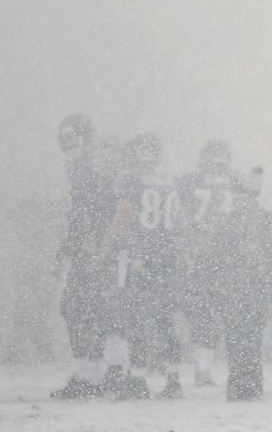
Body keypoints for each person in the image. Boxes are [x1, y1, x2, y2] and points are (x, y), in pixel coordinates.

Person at [105, 132, 185, 400]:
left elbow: (124, 213)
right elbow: (179, 223)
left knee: (135, 318)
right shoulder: (169, 181)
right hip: (167, 258)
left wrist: (105, 247)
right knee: (165, 320)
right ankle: (174, 380)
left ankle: (138, 380)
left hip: (141, 259)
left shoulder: (130, 178)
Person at [213, 166, 272, 401]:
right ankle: (240, 384)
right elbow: (218, 260)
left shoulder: (269, 223)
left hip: (255, 291)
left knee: (252, 338)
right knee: (236, 339)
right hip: (234, 291)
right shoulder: (227, 224)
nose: (232, 199)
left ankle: (249, 385)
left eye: (237, 194)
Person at [51, 114, 109, 399]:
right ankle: (94, 374)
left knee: (78, 309)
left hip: (91, 251)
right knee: (86, 310)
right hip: (96, 249)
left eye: (72, 138)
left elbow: (86, 213)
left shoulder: (84, 168)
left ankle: (91, 375)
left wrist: (78, 247)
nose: (67, 144)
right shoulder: (94, 165)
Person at [179, 139, 237, 387]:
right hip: (220, 257)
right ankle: (203, 367)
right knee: (213, 314)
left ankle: (198, 368)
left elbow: (180, 216)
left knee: (204, 314)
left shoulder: (190, 182)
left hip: (203, 255)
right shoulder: (235, 181)